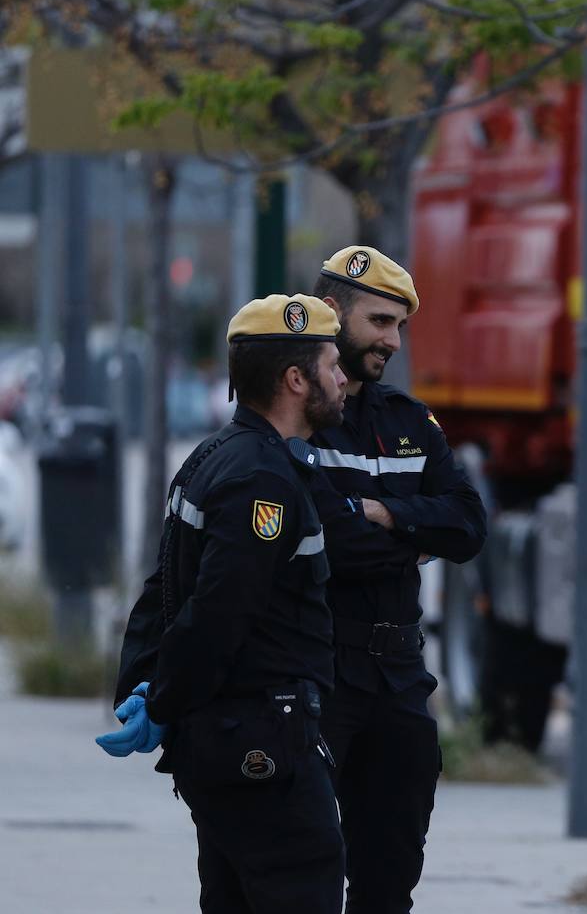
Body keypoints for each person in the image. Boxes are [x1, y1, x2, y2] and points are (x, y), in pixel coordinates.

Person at [99, 294, 349, 914]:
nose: (343, 379)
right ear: (296, 380)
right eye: (331, 365)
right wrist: (160, 698)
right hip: (263, 742)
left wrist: (151, 685)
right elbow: (216, 612)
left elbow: (163, 591)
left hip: (231, 744)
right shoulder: (263, 481)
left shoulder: (214, 457)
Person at [308, 245, 487, 913]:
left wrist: (380, 512)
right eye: (380, 321)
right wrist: (413, 536)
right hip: (321, 666)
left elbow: (468, 525)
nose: (393, 340)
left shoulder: (411, 422)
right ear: (333, 313)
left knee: (391, 878)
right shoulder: (297, 418)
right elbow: (325, 541)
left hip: (400, 675)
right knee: (303, 870)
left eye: (399, 327)